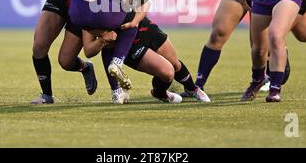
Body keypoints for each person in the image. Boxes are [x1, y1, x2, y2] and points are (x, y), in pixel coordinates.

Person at [82, 17, 210, 104]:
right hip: (128, 43)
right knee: (168, 72)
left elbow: (144, 0)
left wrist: (136, 19)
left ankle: (192, 89)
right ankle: (159, 93)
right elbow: (89, 50)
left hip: (144, 27)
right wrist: (102, 39)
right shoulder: (90, 5)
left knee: (175, 63)